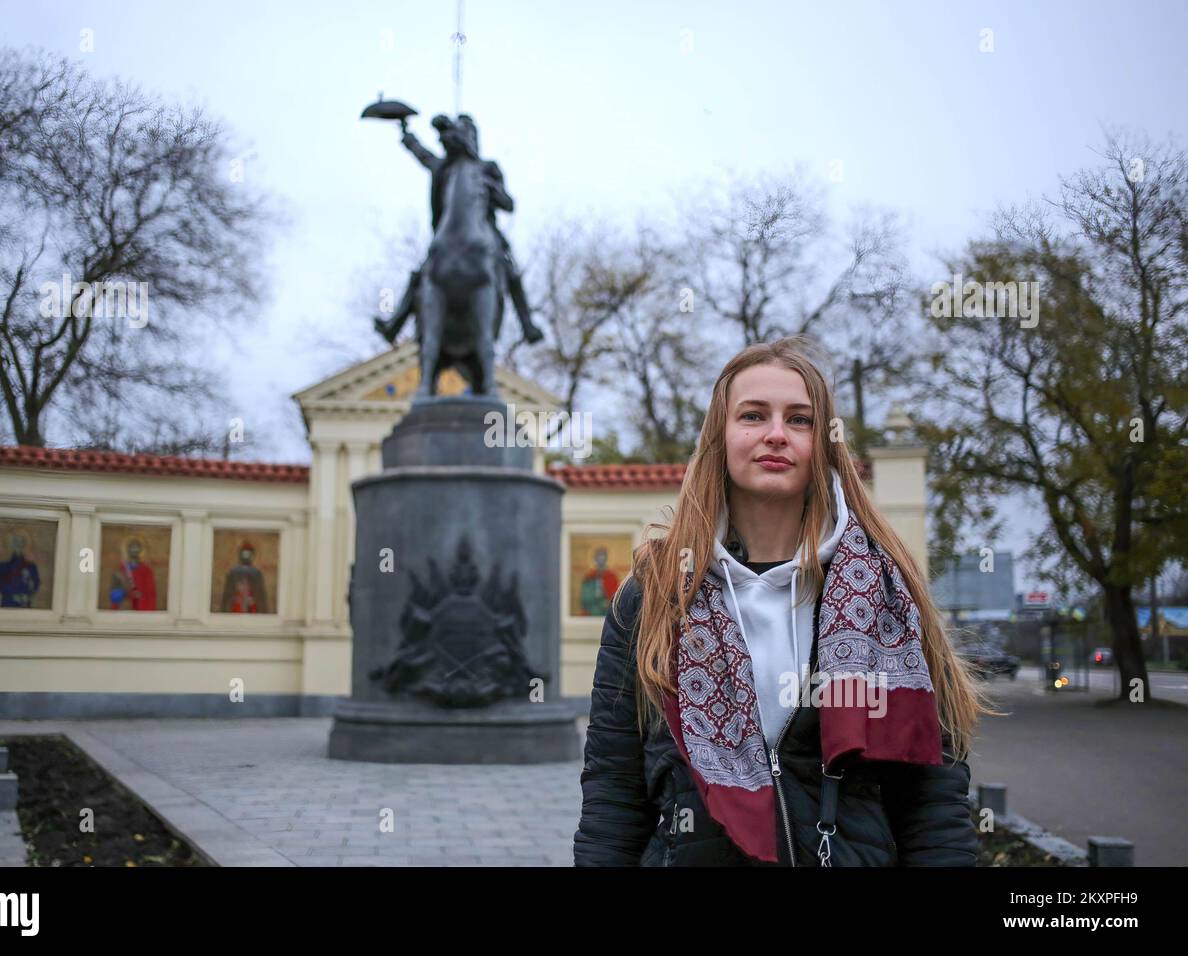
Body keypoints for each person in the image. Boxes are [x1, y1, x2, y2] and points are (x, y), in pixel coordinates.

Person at [573, 336, 1001, 866]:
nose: (776, 434)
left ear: (825, 442)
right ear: (719, 437)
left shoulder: (888, 593)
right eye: (753, 416)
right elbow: (614, 793)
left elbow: (932, 802)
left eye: (799, 420)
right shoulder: (655, 598)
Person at [374, 113, 541, 345]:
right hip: (448, 235)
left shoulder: (488, 167)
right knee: (421, 273)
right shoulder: (443, 168)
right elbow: (422, 155)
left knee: (510, 271)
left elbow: (509, 204)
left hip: (485, 231)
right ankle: (394, 324)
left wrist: (490, 189)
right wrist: (406, 134)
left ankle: (528, 325)